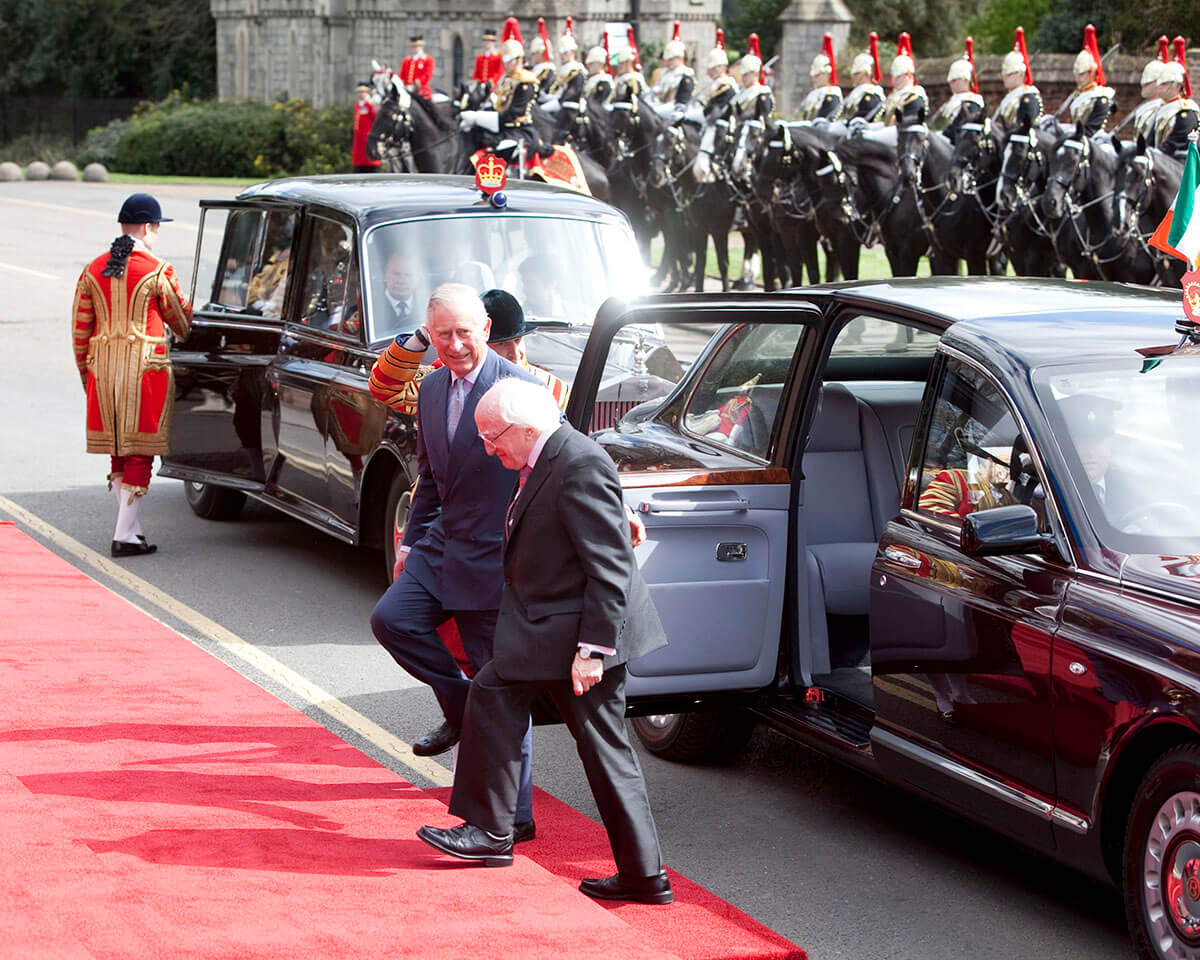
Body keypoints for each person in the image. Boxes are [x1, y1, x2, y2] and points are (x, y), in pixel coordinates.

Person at [417, 377, 672, 906]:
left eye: (493, 438)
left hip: (581, 633)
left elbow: (610, 568)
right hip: (551, 624)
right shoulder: (551, 452)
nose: (489, 449)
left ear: (527, 428)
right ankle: (496, 830)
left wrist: (593, 650)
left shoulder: (578, 463)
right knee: (493, 693)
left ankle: (640, 874)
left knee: (603, 750)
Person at [368, 284, 541, 842]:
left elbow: (556, 468)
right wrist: (409, 545)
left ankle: (514, 815)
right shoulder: (433, 386)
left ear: (486, 330)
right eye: (443, 334)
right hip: (441, 541)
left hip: (495, 553)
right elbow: (430, 476)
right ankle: (461, 704)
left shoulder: (523, 388)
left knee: (501, 683)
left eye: (464, 332)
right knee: (391, 620)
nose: (455, 344)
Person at [71, 193, 192, 557]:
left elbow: (80, 332)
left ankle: (131, 529)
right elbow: (182, 322)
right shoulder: (158, 269)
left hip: (103, 370)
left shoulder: (92, 269)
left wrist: (87, 377)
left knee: (119, 449)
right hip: (145, 370)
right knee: (140, 450)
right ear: (148, 227)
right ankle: (124, 534)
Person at [992, 27, 1043, 139]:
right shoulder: (1009, 97)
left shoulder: (1028, 97)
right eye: (1004, 74)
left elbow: (1025, 127)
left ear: (1021, 74)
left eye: (1009, 74)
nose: (1005, 78)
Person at [1068, 25, 1115, 138]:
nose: (1078, 78)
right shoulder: (1077, 96)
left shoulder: (1101, 97)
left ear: (1092, 73)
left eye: (1082, 74)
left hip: (1094, 140)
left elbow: (1093, 129)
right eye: (1076, 74)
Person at [1150, 53, 1198, 158]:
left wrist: (1157, 153)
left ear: (1177, 86)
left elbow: (1179, 140)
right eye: (1159, 84)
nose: (1159, 87)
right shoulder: (1159, 108)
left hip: (1178, 162)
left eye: (1164, 84)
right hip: (1158, 159)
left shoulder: (1185, 110)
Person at [931, 47, 984, 143]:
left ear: (966, 80)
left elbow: (961, 124)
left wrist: (943, 135)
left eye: (955, 80)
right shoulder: (950, 101)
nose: (951, 83)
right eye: (950, 80)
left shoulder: (972, 101)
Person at [880, 32, 927, 127]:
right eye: (893, 77)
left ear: (908, 76)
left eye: (898, 77)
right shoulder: (892, 96)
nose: (894, 81)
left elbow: (908, 122)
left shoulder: (914, 96)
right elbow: (884, 122)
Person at [651, 21, 695, 121]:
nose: (668, 62)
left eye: (671, 59)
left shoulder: (686, 75)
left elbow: (682, 100)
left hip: (675, 109)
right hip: (662, 106)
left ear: (680, 58)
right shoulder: (665, 74)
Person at [836, 36, 884, 122]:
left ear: (866, 74)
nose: (853, 77)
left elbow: (864, 115)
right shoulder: (856, 92)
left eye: (857, 74)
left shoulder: (871, 94)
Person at [797, 33, 842, 121]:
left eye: (817, 76)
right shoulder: (813, 93)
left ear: (827, 74)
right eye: (813, 76)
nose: (814, 79)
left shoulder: (831, 93)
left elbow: (826, 119)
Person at [733, 35, 773, 124]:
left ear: (755, 73)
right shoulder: (741, 92)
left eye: (746, 74)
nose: (743, 77)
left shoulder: (762, 92)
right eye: (742, 74)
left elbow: (764, 119)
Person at [352, 81, 381, 173]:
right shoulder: (358, 104)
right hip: (359, 141)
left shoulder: (371, 104)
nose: (361, 94)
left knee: (370, 163)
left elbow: (376, 119)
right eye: (359, 92)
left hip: (368, 138)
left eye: (363, 92)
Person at [399, 34, 434, 100]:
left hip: (422, 91)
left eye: (416, 46)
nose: (414, 48)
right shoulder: (406, 60)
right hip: (406, 89)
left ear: (421, 47)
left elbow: (427, 75)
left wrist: (416, 84)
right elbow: (402, 75)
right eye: (412, 47)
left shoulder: (427, 60)